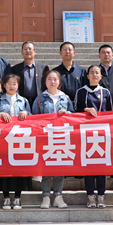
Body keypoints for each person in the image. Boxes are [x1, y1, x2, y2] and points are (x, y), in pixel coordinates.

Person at [31, 70, 72, 209]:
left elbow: (73, 115)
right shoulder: (40, 98)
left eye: (55, 79)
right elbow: (34, 117)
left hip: (61, 136)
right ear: (45, 82)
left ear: (59, 82)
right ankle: (46, 196)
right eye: (49, 79)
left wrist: (66, 113)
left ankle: (58, 196)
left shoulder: (65, 98)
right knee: (46, 167)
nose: (52, 81)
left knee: (60, 167)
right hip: (45, 137)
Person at [0, 73, 31, 210]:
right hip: (3, 140)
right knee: (4, 169)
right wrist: (0, 114)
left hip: (20, 140)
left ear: (18, 86)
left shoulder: (24, 101)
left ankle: (18, 197)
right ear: (4, 85)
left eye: (14, 83)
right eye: (9, 83)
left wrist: (26, 113)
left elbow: (32, 119)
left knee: (19, 168)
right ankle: (6, 197)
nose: (11, 86)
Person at [75, 65, 112, 208]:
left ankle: (101, 195)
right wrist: (85, 109)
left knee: (101, 165)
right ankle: (90, 195)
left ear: (101, 76)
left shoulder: (105, 92)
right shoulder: (81, 92)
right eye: (92, 72)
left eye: (97, 73)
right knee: (88, 165)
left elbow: (111, 113)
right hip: (86, 133)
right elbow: (75, 111)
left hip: (101, 133)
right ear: (87, 76)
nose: (94, 75)